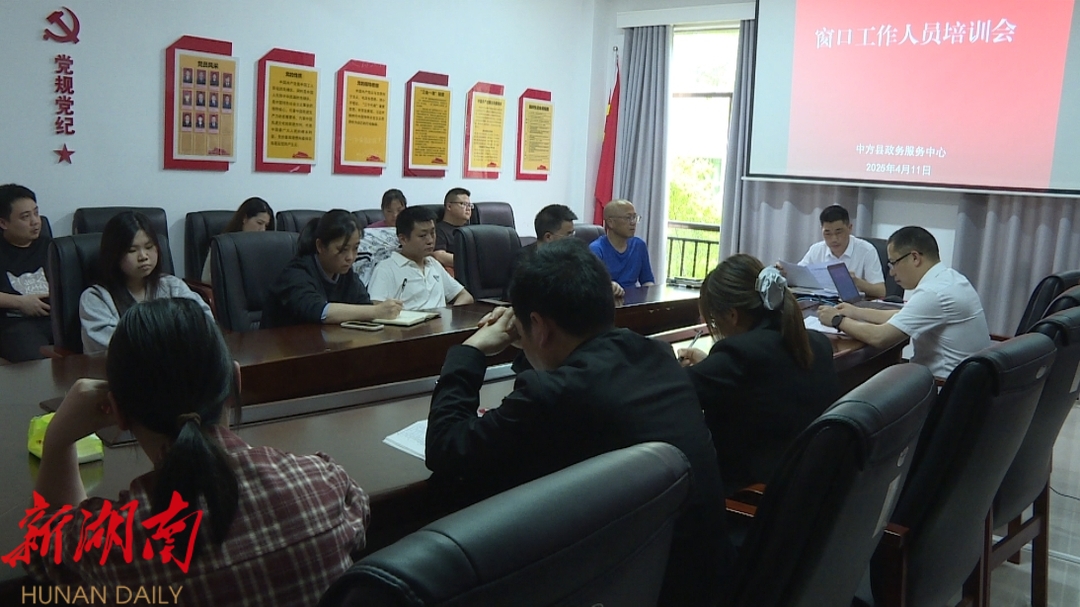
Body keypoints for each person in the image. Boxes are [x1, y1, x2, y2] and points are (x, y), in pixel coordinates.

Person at [425, 238, 732, 606]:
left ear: (538, 326)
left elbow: (446, 448)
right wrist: (532, 337)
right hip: (695, 581)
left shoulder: (554, 396)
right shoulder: (655, 356)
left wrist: (471, 350)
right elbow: (567, 370)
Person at [26, 298, 369, 605]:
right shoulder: (322, 483)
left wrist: (58, 439)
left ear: (117, 412)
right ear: (235, 381)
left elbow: (43, 551)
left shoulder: (116, 541)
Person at [678, 254, 839, 494]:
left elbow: (672, 392)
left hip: (753, 494)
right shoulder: (815, 342)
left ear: (732, 315)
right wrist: (712, 364)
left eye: (713, 319)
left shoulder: (737, 355)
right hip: (812, 487)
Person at [818, 226, 991, 378]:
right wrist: (855, 312)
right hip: (961, 384)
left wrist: (837, 320)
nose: (892, 273)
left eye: (893, 263)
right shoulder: (950, 278)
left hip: (940, 387)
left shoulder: (933, 293)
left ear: (915, 257)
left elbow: (880, 337)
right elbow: (902, 315)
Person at [79, 211, 211, 354]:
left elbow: (205, 321)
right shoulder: (96, 298)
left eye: (149, 247)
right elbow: (112, 346)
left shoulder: (172, 285)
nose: (143, 256)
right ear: (113, 254)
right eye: (132, 250)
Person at [262, 209, 402, 328]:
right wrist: (376, 311)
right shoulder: (296, 273)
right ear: (320, 246)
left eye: (355, 248)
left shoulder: (345, 274)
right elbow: (319, 311)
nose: (350, 257)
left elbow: (363, 304)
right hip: (282, 346)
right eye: (342, 249)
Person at [368, 207, 474, 310]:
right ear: (403, 239)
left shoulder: (433, 264)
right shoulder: (385, 269)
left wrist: (451, 314)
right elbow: (377, 309)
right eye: (423, 235)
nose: (430, 240)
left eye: (432, 233)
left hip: (442, 320)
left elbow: (465, 296)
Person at [513, 204, 624, 298]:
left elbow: (591, 280)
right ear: (548, 237)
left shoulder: (575, 254)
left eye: (573, 233)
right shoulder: (524, 261)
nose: (573, 239)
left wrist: (607, 286)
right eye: (568, 234)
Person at [0, 184, 53, 362]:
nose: (35, 222)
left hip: (55, 318)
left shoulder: (52, 247)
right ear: (3, 223)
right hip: (16, 323)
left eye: (36, 213)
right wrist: (20, 302)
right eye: (25, 217)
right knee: (38, 363)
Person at [794, 205, 885, 298]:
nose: (834, 239)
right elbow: (798, 275)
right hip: (822, 301)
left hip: (852, 304)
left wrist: (856, 281)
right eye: (827, 233)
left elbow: (881, 291)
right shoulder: (816, 249)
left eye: (839, 232)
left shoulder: (867, 250)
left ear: (850, 228)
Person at [201, 197, 275, 282]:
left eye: (266, 226)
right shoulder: (223, 246)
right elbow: (207, 281)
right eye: (259, 223)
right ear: (244, 218)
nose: (262, 230)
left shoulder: (264, 248)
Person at [589, 199, 655, 289]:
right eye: (628, 218)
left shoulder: (639, 245)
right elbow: (593, 285)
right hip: (609, 296)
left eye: (634, 217)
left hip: (635, 297)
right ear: (610, 223)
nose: (633, 222)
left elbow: (647, 281)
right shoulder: (596, 249)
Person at [432, 187, 472, 269]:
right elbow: (439, 255)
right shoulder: (439, 230)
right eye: (463, 204)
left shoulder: (471, 230)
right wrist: (470, 261)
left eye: (469, 205)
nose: (468, 209)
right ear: (449, 206)